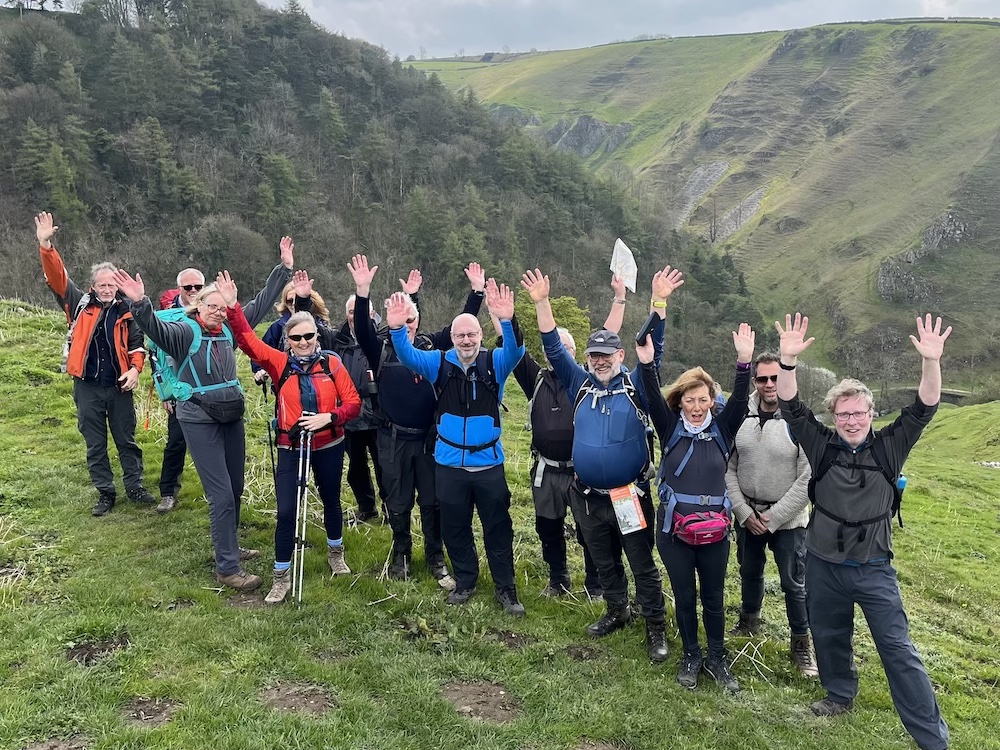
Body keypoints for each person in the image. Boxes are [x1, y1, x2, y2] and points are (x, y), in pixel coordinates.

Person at [775, 312, 950, 750]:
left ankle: (931, 738)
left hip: (873, 567)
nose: (852, 420)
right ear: (833, 416)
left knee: (898, 649)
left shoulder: (891, 446)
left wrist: (931, 361)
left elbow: (925, 407)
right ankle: (838, 694)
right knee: (830, 634)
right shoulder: (821, 445)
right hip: (822, 564)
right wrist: (788, 362)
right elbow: (791, 408)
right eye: (843, 414)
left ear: (872, 413)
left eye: (859, 413)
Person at [521, 265, 682, 662]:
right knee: (604, 560)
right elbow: (554, 348)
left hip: (629, 496)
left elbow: (652, 353)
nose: (599, 360)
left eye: (606, 354)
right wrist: (542, 303)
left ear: (620, 355)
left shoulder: (635, 387)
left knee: (641, 562)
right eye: (594, 355)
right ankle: (616, 610)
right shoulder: (580, 384)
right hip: (588, 497)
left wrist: (658, 304)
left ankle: (655, 627)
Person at [112, 268, 261, 592]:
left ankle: (230, 547)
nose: (218, 312)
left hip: (231, 416)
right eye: (212, 306)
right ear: (198, 306)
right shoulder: (184, 332)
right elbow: (155, 329)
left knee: (234, 489)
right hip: (198, 418)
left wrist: (284, 270)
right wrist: (140, 304)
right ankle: (228, 568)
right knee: (220, 494)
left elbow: (258, 307)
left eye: (223, 308)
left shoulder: (227, 331)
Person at [219, 271, 362, 604]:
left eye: (309, 336)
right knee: (286, 511)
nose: (303, 342)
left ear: (317, 335)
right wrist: (232, 307)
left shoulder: (332, 364)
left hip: (329, 444)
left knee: (331, 501)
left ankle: (335, 553)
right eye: (296, 338)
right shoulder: (278, 363)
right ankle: (281, 576)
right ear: (287, 339)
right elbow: (246, 342)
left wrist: (330, 417)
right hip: (291, 446)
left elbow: (353, 403)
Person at [386, 280, 525, 615]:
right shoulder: (439, 363)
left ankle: (506, 590)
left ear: (480, 336)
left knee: (497, 528)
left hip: (488, 465)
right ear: (453, 338)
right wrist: (395, 328)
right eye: (461, 335)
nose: (467, 340)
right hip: (448, 464)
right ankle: (465, 581)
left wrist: (508, 320)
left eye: (472, 335)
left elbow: (516, 350)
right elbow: (406, 354)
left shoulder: (495, 363)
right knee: (455, 528)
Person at [348, 255, 485, 587]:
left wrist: (477, 294)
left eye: (412, 319)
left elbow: (461, 329)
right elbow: (364, 326)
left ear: (418, 320)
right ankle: (402, 552)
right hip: (393, 440)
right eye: (401, 319)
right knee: (397, 500)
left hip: (430, 441)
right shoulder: (378, 348)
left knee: (432, 500)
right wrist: (362, 291)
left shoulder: (431, 346)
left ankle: (436, 556)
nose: (407, 324)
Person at [644, 322, 755, 692]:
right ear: (681, 401)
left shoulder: (723, 429)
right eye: (689, 399)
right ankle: (692, 654)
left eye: (702, 399)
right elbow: (651, 395)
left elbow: (740, 400)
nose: (695, 406)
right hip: (673, 532)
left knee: (714, 596)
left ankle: (718, 658)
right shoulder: (669, 426)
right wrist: (646, 366)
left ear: (711, 401)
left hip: (715, 531)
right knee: (685, 596)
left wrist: (744, 362)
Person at [506, 274, 630, 598]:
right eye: (555, 351)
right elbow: (523, 346)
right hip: (546, 470)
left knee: (590, 531)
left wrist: (619, 300)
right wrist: (509, 314)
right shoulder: (535, 378)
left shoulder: (585, 382)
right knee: (548, 526)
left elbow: (609, 339)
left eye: (567, 348)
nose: (558, 354)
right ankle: (558, 579)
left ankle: (596, 584)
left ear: (578, 356)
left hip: (579, 471)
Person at [154, 238, 294, 514]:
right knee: (176, 445)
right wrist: (166, 392)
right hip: (189, 403)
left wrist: (284, 270)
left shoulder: (226, 326)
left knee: (231, 481)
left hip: (226, 407)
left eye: (197, 286)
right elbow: (155, 344)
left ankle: (229, 536)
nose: (193, 291)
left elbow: (261, 302)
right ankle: (169, 492)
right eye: (189, 288)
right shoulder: (177, 322)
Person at [36, 212, 154, 516]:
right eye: (101, 285)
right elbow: (57, 278)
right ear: (93, 286)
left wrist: (135, 370)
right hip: (87, 387)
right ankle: (105, 493)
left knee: (126, 440)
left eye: (111, 285)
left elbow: (137, 346)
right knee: (95, 443)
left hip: (119, 387)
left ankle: (135, 487)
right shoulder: (78, 303)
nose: (106, 289)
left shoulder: (128, 310)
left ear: (117, 286)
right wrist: (46, 244)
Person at [726, 352, 817, 677]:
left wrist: (775, 516)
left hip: (788, 520)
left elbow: (809, 477)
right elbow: (729, 467)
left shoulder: (801, 420)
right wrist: (742, 510)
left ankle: (801, 646)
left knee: (794, 583)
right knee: (749, 571)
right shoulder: (739, 416)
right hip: (747, 514)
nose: (768, 384)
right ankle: (749, 621)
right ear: (755, 382)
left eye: (775, 378)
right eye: (763, 378)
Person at [251, 278, 335, 385]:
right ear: (285, 303)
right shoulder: (278, 327)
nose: (295, 304)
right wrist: (260, 370)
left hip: (321, 381)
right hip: (287, 382)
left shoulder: (321, 326)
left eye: (298, 298)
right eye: (290, 301)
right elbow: (260, 352)